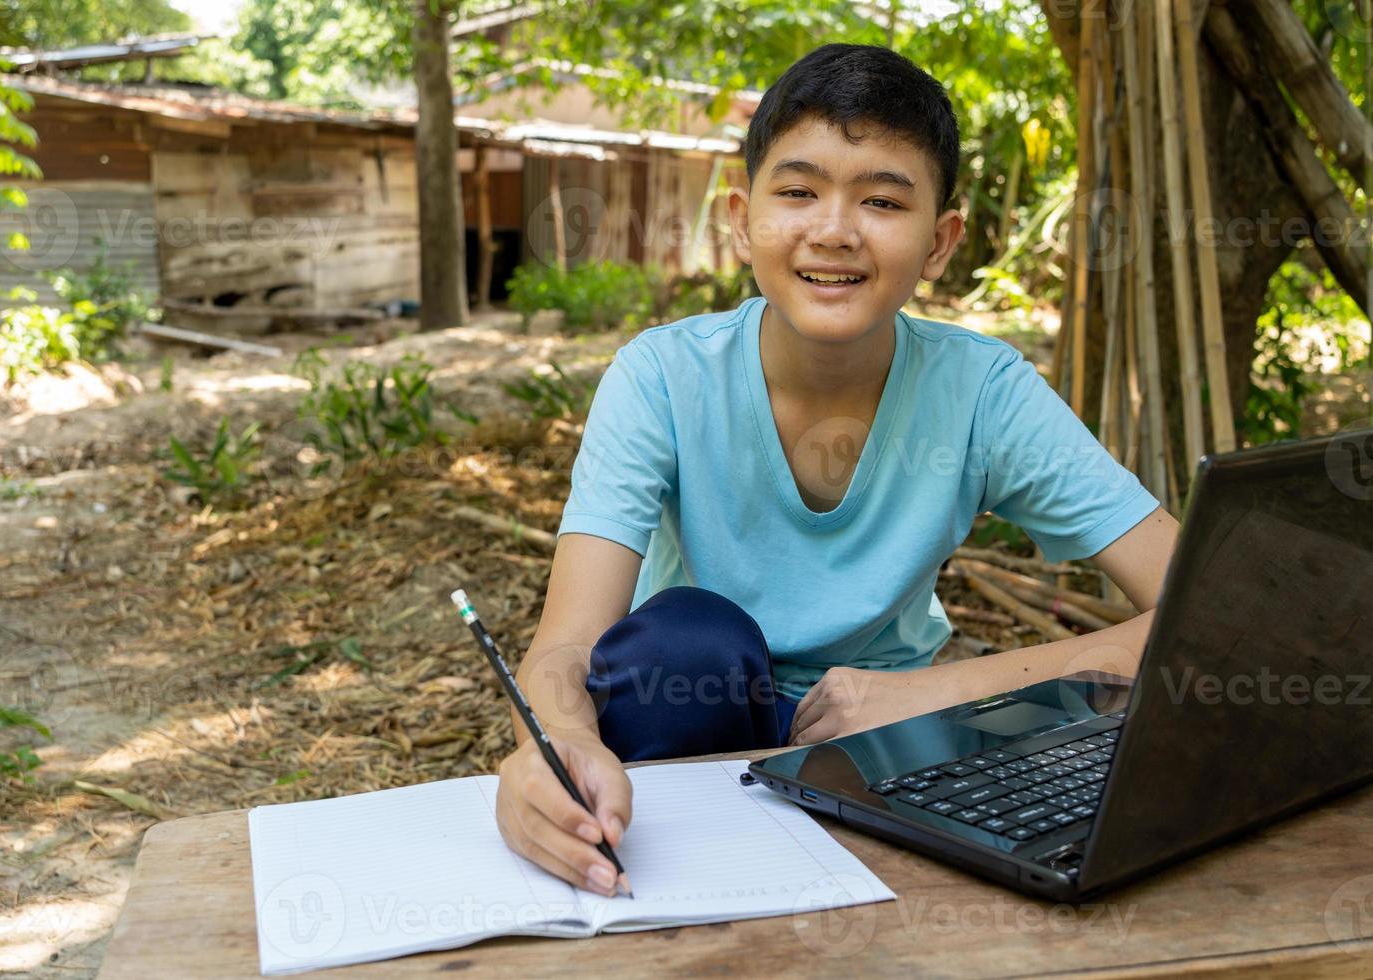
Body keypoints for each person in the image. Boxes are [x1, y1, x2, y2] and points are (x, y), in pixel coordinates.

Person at [493, 42, 1179, 899]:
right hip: (687, 717)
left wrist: (938, 691)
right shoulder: (664, 376)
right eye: (798, 191)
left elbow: (1205, 610)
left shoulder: (983, 391)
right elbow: (567, 644)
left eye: (883, 200)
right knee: (686, 639)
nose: (834, 229)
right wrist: (548, 744)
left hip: (898, 734)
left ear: (940, 240)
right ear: (742, 219)